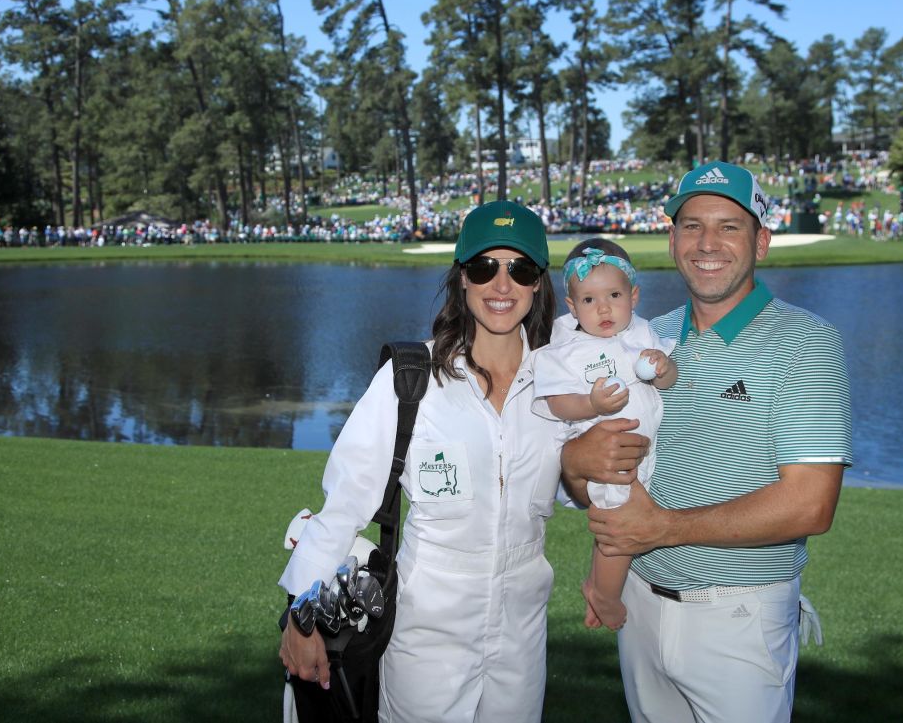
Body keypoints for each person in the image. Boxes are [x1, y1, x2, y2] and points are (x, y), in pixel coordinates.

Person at [562, 161, 852, 723]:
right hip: (641, 603)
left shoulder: (807, 342)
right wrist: (575, 460)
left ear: (761, 241)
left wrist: (664, 527)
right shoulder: (645, 336)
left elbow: (811, 504)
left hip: (739, 617)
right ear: (671, 239)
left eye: (729, 226)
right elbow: (586, 478)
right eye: (691, 225)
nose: (707, 243)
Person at [279, 200, 562, 722]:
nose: (502, 285)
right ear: (461, 279)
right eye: (484, 267)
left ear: (539, 283)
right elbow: (344, 504)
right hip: (426, 638)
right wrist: (301, 618)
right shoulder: (411, 379)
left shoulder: (561, 384)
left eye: (519, 269)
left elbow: (583, 484)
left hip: (522, 636)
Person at [531, 239, 676, 631]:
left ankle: (598, 583)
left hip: (644, 451)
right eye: (590, 300)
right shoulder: (565, 350)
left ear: (634, 296)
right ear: (572, 306)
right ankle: (605, 596)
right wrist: (592, 404)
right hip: (608, 455)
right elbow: (557, 403)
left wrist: (664, 367)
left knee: (622, 519)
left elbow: (669, 380)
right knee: (620, 528)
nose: (605, 308)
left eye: (614, 295)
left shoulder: (643, 332)